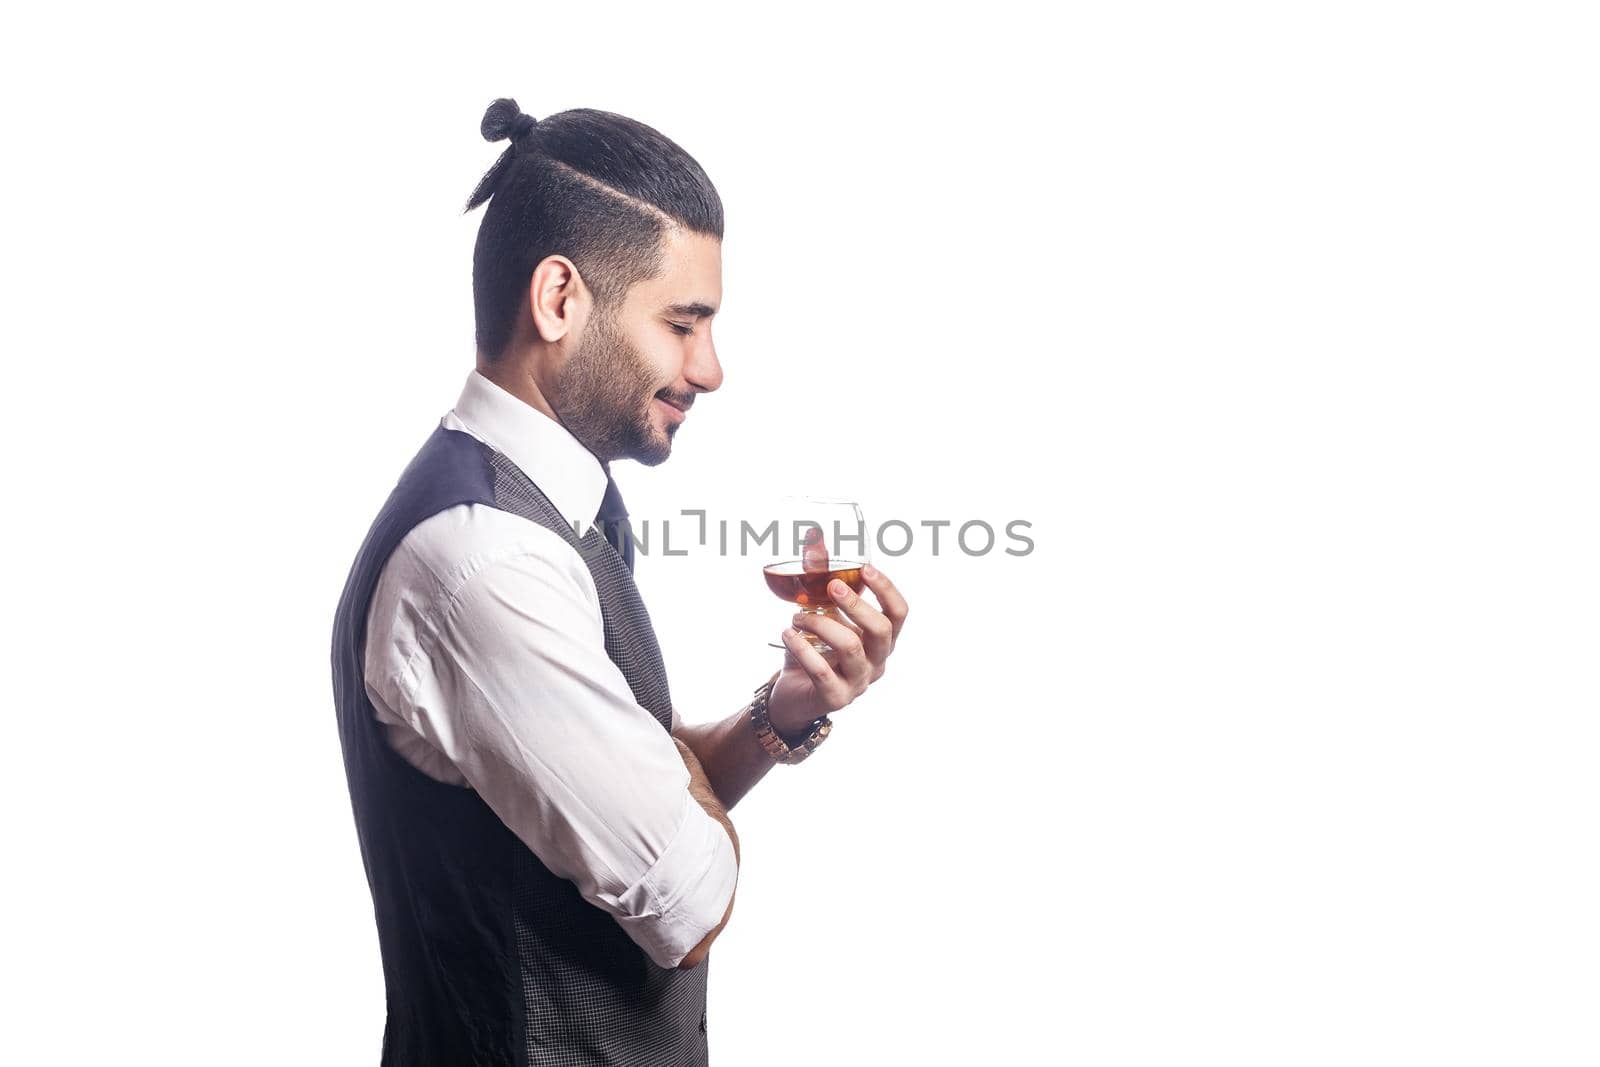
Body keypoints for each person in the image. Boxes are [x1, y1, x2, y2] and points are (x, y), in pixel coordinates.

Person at [329, 99, 909, 1067]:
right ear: (560, 299)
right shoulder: (485, 563)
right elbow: (685, 890)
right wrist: (668, 797)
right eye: (683, 323)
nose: (710, 368)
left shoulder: (560, 507)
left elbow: (613, 792)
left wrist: (786, 706)